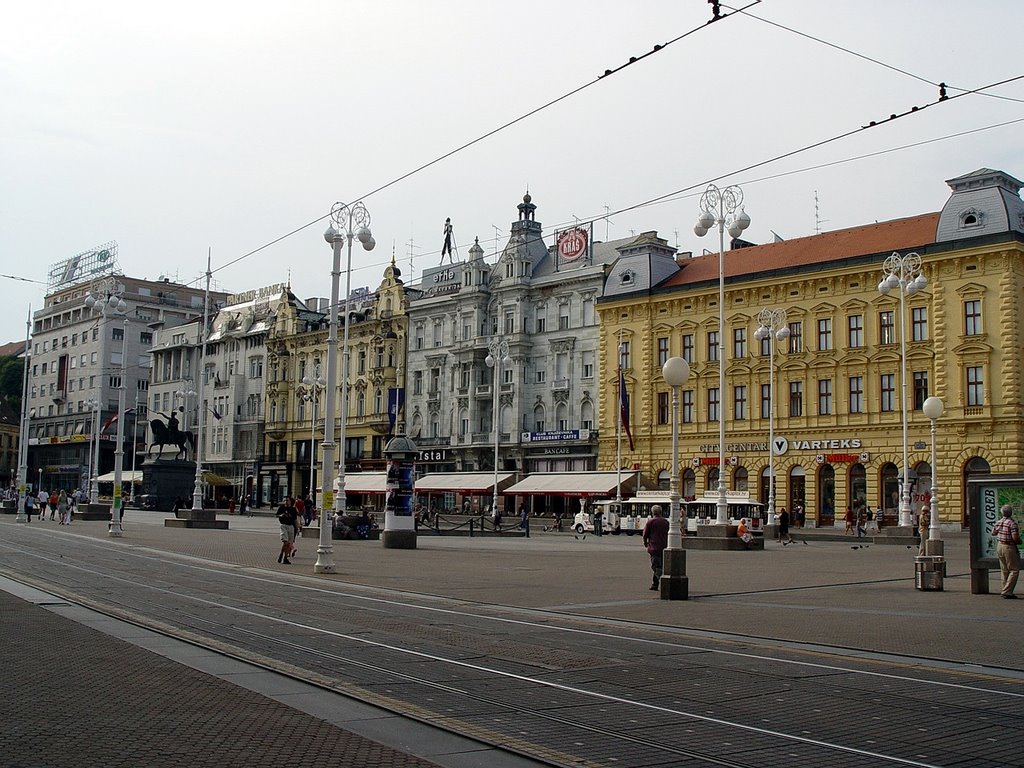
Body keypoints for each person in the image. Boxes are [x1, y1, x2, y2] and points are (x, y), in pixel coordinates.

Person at [992, 504, 1021, 599]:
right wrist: (1019, 541)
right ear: (1011, 513)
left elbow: (993, 532)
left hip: (1000, 545)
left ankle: (1005, 589)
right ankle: (1007, 591)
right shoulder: (1012, 523)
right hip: (1009, 547)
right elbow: (1015, 538)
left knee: (1004, 569)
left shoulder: (999, 522)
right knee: (1014, 570)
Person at [642, 505, 669, 591]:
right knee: (660, 565)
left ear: (653, 512)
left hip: (654, 547)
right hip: (664, 547)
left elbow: (645, 534)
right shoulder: (666, 522)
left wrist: (645, 543)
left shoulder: (651, 522)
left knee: (656, 566)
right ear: (661, 512)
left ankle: (663, 581)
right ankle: (655, 584)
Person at [276, 496, 298, 564]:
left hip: (291, 526)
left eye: (287, 500)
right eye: (285, 500)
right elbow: (277, 515)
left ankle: (284, 557)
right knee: (285, 542)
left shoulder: (293, 509)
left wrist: (297, 528)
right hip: (284, 526)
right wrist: (281, 515)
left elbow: (295, 519)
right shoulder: (281, 508)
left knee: (289, 544)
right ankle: (282, 555)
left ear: (290, 501)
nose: (286, 502)